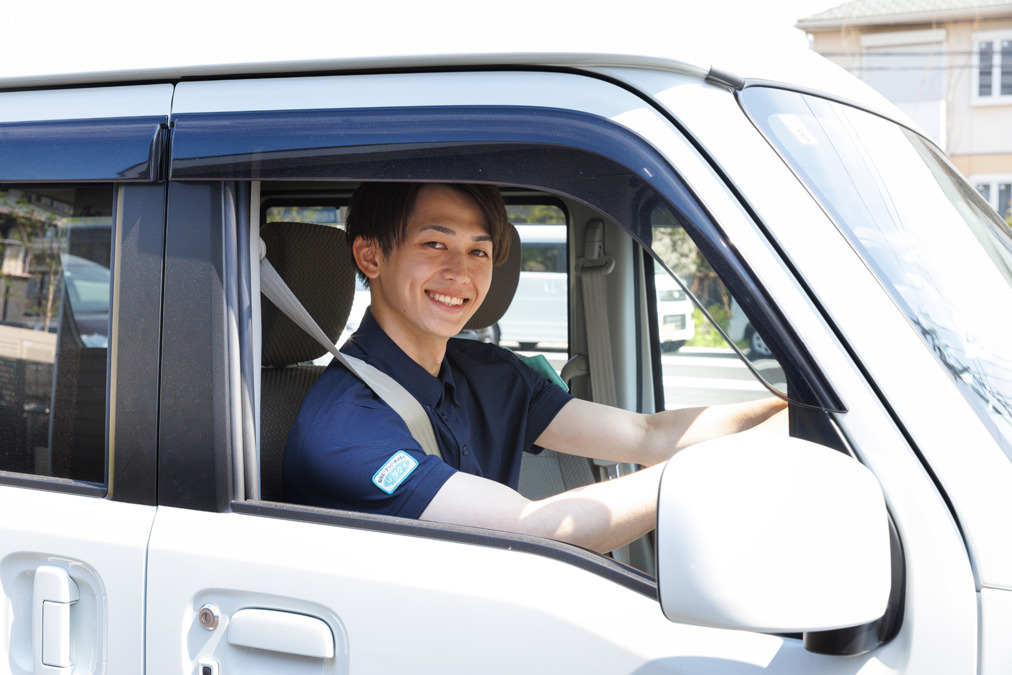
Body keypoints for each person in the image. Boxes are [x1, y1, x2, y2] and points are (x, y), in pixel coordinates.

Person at [283, 182, 786, 554]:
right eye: (435, 244)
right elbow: (537, 528)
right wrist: (724, 467)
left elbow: (647, 434)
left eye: (478, 250)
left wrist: (791, 415)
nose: (460, 272)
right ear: (370, 256)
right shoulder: (343, 429)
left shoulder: (489, 371)